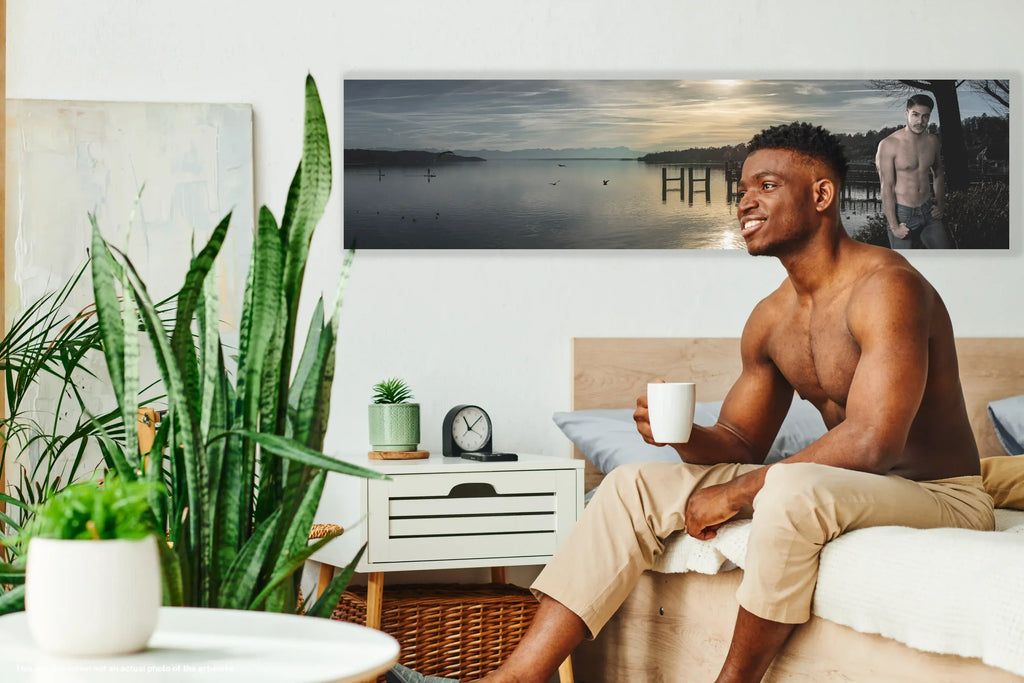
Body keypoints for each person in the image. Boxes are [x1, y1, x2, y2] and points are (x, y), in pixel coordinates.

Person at [388, 122, 993, 683]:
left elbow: (872, 440)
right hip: (847, 490)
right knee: (631, 486)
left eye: (767, 185)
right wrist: (678, 436)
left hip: (938, 495)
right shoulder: (772, 319)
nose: (745, 201)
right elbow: (738, 442)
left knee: (790, 487)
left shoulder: (888, 288)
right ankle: (519, 676)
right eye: (742, 188)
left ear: (822, 194)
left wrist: (735, 493)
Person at [875, 94, 952, 249]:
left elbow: (938, 173)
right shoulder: (888, 144)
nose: (920, 121)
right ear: (906, 114)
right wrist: (894, 226)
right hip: (903, 214)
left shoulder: (933, 142)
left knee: (946, 256)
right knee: (904, 267)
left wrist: (941, 204)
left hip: (928, 210)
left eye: (925, 116)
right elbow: (886, 187)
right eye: (915, 115)